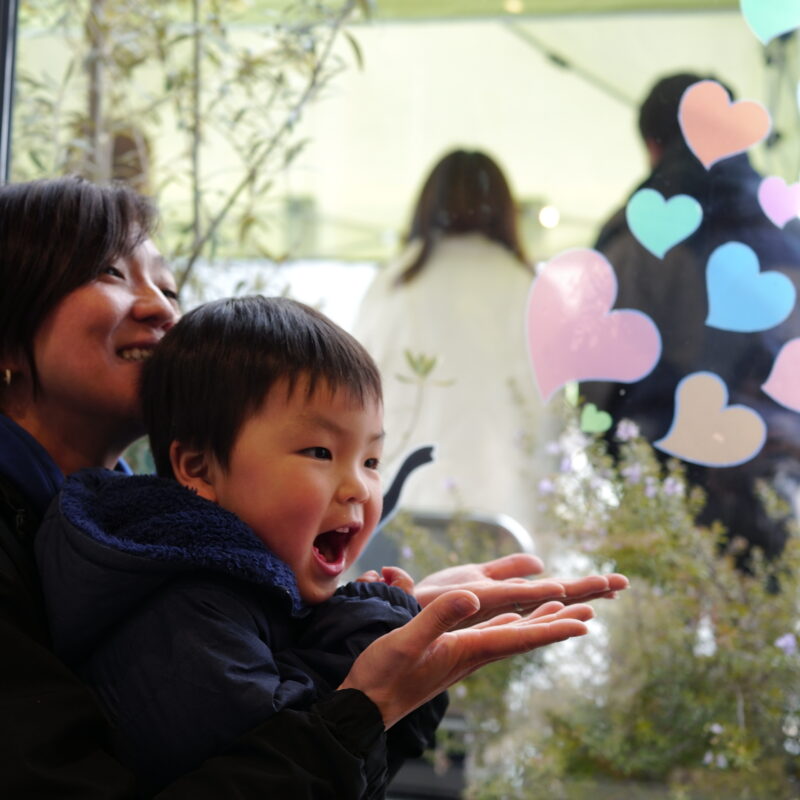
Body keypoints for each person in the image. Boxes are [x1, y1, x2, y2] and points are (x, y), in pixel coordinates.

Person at [0, 175, 628, 797]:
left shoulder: (124, 529)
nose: (162, 309)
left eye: (168, 286)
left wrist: (375, 634)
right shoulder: (150, 576)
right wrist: (363, 697)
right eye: (111, 273)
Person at [35, 295, 450, 794]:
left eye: (371, 461)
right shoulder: (183, 609)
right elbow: (280, 754)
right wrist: (369, 632)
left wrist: (388, 636)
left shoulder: (248, 586)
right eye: (320, 452)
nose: (360, 487)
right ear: (199, 468)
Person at [582, 72, 800, 566]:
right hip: (785, 489)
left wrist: (617, 467)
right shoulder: (790, 230)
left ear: (653, 146)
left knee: (667, 616)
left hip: (666, 497)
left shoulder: (633, 241)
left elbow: (599, 385)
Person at [353, 148, 548, 536]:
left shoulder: (391, 286)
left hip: (401, 505)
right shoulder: (526, 287)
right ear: (505, 209)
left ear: (426, 205)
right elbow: (549, 415)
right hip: (504, 511)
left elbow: (354, 396)